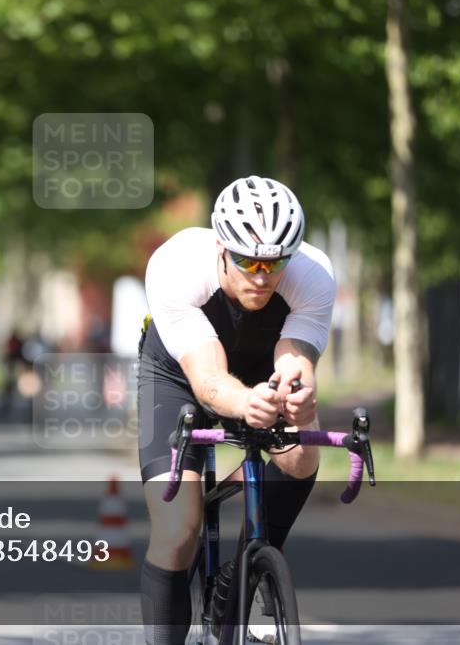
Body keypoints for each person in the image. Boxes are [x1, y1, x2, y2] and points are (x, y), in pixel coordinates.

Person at [137, 176, 336, 645]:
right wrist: (247, 402)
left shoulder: (314, 273)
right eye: (248, 261)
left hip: (261, 365)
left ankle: (244, 569)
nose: (262, 276)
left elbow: (295, 362)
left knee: (302, 454)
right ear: (222, 249)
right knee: (178, 529)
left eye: (275, 263)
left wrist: (300, 401)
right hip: (178, 374)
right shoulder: (176, 265)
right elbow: (208, 379)